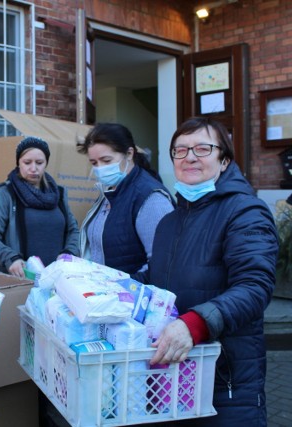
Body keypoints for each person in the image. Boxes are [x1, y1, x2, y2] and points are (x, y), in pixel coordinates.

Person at [134, 117, 279, 427]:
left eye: (202, 148)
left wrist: (196, 324)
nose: (189, 157)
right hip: (174, 374)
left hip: (226, 381)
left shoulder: (244, 211)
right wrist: (112, 288)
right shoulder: (168, 223)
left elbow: (255, 287)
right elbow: (158, 280)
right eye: (180, 150)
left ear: (224, 160)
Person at [76, 123, 174, 274]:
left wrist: (124, 288)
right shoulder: (109, 192)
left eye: (107, 160)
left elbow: (162, 263)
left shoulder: (151, 198)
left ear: (129, 154)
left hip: (131, 294)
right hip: (105, 292)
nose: (100, 168)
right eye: (94, 163)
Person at [0, 136, 80, 277]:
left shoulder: (59, 194)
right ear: (18, 163)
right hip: (21, 280)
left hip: (58, 279)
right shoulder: (6, 194)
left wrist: (69, 253)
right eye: (27, 162)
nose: (33, 168)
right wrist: (10, 259)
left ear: (46, 163)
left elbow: (73, 231)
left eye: (39, 162)